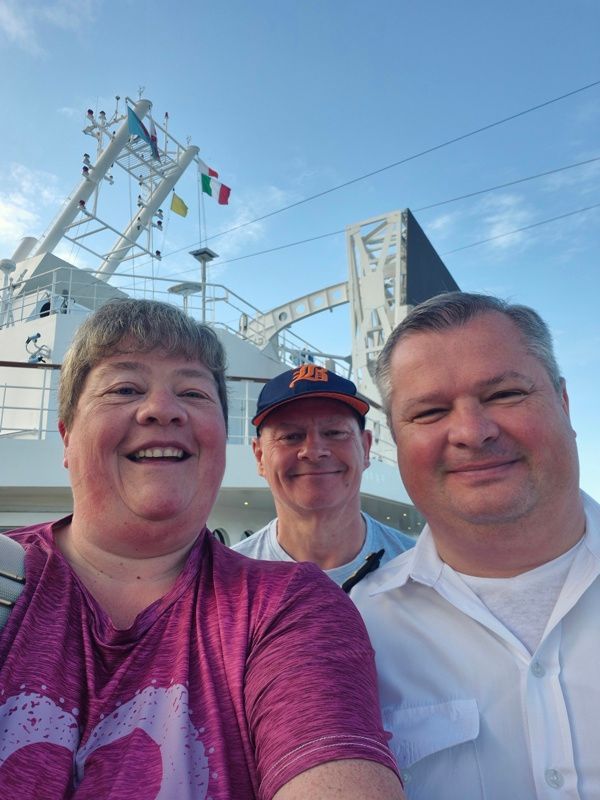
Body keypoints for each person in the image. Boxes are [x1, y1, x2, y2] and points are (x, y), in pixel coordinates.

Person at [0, 299, 403, 800]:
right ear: (65, 436)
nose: (162, 409)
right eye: (125, 388)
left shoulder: (290, 605)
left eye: (192, 391)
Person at [351, 291, 599, 800]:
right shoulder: (356, 629)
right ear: (397, 441)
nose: (471, 432)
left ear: (564, 402)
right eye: (430, 412)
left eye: (504, 394)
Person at [233, 365, 415, 590]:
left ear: (365, 448)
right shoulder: (227, 584)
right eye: (290, 436)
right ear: (260, 456)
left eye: (335, 433)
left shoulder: (419, 574)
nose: (314, 451)